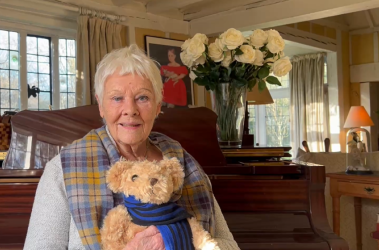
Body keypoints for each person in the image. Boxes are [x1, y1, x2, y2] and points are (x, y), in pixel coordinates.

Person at [23, 44, 239, 250]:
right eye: (117, 98)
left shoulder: (184, 164)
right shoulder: (63, 169)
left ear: (157, 106)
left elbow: (229, 244)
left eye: (142, 97)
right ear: (101, 105)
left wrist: (179, 242)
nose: (130, 109)